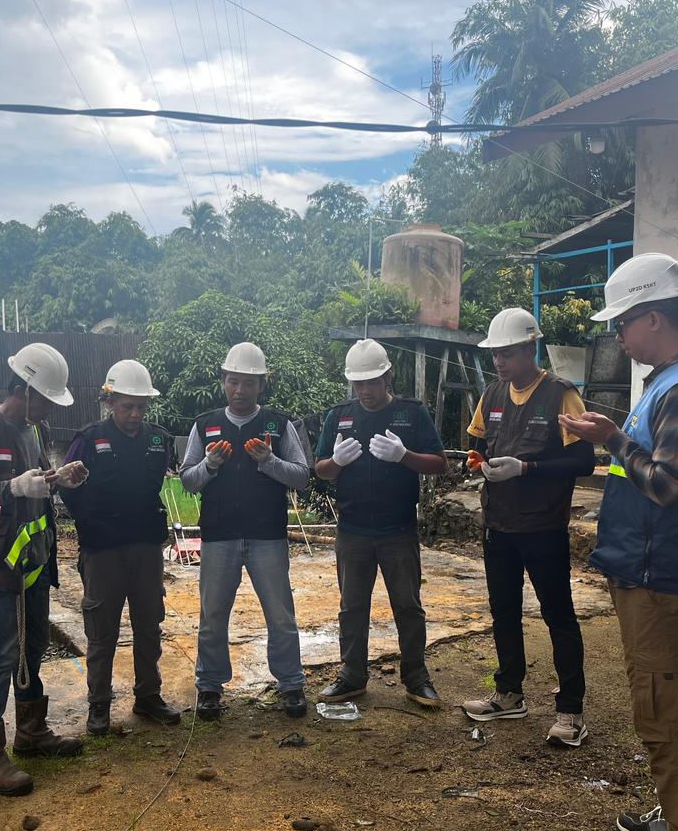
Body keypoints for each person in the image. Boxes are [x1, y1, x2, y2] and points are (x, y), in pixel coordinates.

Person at [560, 253, 678, 831]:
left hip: (667, 576)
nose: (619, 339)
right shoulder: (670, 382)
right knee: (666, 703)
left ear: (653, 319)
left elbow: (664, 483)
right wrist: (611, 434)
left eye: (623, 326)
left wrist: (609, 438)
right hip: (653, 571)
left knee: (667, 711)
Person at [0, 343, 85, 799]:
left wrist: (57, 478)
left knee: (33, 645)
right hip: (0, 562)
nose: (48, 407)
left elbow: (35, 483)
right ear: (24, 389)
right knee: (0, 651)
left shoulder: (35, 429)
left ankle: (31, 732)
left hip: (34, 558)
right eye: (45, 398)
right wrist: (8, 486)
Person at [459, 308, 595, 747]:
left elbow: (583, 460)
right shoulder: (493, 393)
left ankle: (570, 711)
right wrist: (478, 462)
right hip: (499, 523)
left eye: (509, 353)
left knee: (558, 615)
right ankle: (508, 694)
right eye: (496, 354)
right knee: (504, 612)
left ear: (530, 348)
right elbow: (477, 444)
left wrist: (526, 467)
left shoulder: (560, 394)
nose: (500, 362)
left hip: (542, 526)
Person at [313, 339, 448, 709]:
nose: (366, 391)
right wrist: (336, 462)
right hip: (353, 530)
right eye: (359, 384)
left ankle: (416, 678)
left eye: (372, 381)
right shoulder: (338, 416)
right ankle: (352, 676)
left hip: (398, 530)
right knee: (351, 607)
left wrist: (405, 456)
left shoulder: (411, 413)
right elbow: (320, 469)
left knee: (407, 605)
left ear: (388, 376)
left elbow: (439, 463)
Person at [180, 343, 311, 721]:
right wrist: (210, 464)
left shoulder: (278, 423)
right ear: (223, 381)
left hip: (266, 535)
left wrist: (269, 461)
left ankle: (290, 683)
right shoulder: (205, 425)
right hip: (219, 536)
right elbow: (187, 481)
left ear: (261, 385)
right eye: (233, 382)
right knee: (212, 615)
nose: (240, 390)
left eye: (249, 384)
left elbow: (302, 477)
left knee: (281, 614)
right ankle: (209, 687)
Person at [59, 360, 182, 736]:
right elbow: (66, 485)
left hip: (146, 549)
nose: (134, 414)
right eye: (127, 405)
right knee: (102, 630)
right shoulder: (88, 438)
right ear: (110, 401)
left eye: (141, 406)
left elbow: (163, 481)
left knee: (149, 624)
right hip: (103, 551)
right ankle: (99, 706)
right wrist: (92, 523)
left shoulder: (159, 438)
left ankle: (148, 697)